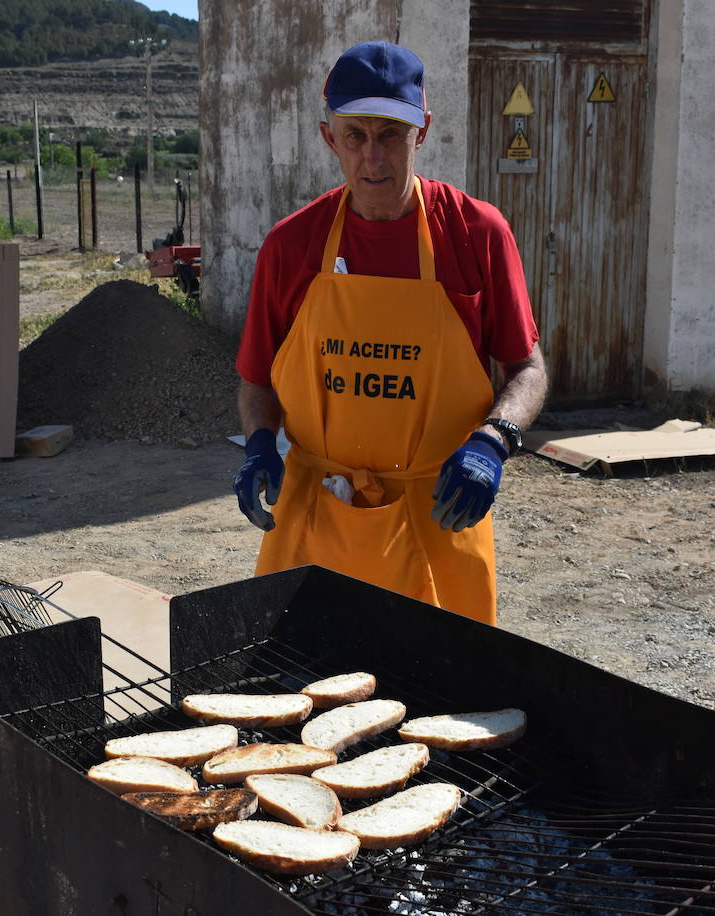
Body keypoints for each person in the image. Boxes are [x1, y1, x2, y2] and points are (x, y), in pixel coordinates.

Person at [232, 40, 548, 625]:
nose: (373, 158)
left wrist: (494, 440)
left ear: (422, 131)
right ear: (330, 138)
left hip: (442, 511)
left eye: (392, 135)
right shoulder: (291, 246)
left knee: (446, 695)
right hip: (315, 513)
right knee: (296, 686)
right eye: (356, 136)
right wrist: (257, 445)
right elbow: (257, 380)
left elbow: (527, 368)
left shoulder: (476, 233)